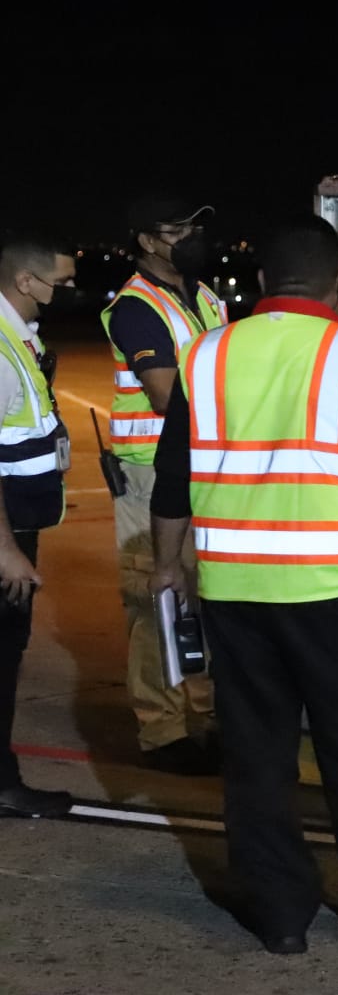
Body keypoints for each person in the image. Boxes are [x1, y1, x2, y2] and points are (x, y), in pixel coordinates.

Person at [149, 213, 338, 954]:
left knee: (256, 756)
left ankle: (279, 914)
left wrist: (167, 566)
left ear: (266, 280)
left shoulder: (205, 356)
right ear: (337, 284)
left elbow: (171, 482)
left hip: (237, 596)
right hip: (334, 591)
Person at [100, 195, 226, 775]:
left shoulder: (203, 297)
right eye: (177, 230)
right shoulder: (136, 306)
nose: (190, 238)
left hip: (202, 464)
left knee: (203, 598)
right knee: (158, 598)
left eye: (195, 227)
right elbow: (165, 395)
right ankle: (163, 728)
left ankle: (202, 715)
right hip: (151, 471)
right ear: (148, 242)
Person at [0, 233, 75, 819]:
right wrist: (6, 551)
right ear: (26, 282)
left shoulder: (22, 339)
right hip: (6, 535)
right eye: (60, 282)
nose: (66, 292)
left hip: (22, 523)